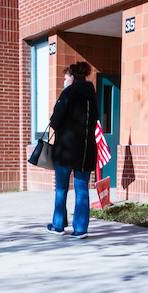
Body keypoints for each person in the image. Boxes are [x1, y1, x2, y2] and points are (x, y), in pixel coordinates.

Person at [45, 61, 100, 238]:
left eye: (66, 77)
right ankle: (81, 229)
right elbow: (95, 120)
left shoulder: (68, 93)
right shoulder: (92, 95)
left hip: (65, 150)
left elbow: (54, 121)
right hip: (85, 151)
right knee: (82, 188)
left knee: (61, 189)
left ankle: (58, 224)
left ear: (72, 77)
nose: (64, 80)